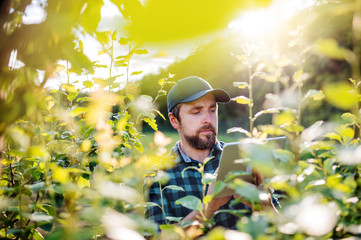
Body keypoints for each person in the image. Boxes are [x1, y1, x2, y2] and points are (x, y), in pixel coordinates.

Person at [145, 76, 253, 231]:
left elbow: (283, 224)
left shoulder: (244, 158)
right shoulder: (157, 177)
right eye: (197, 112)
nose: (207, 119)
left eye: (212, 110)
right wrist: (208, 208)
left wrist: (263, 203)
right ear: (174, 120)